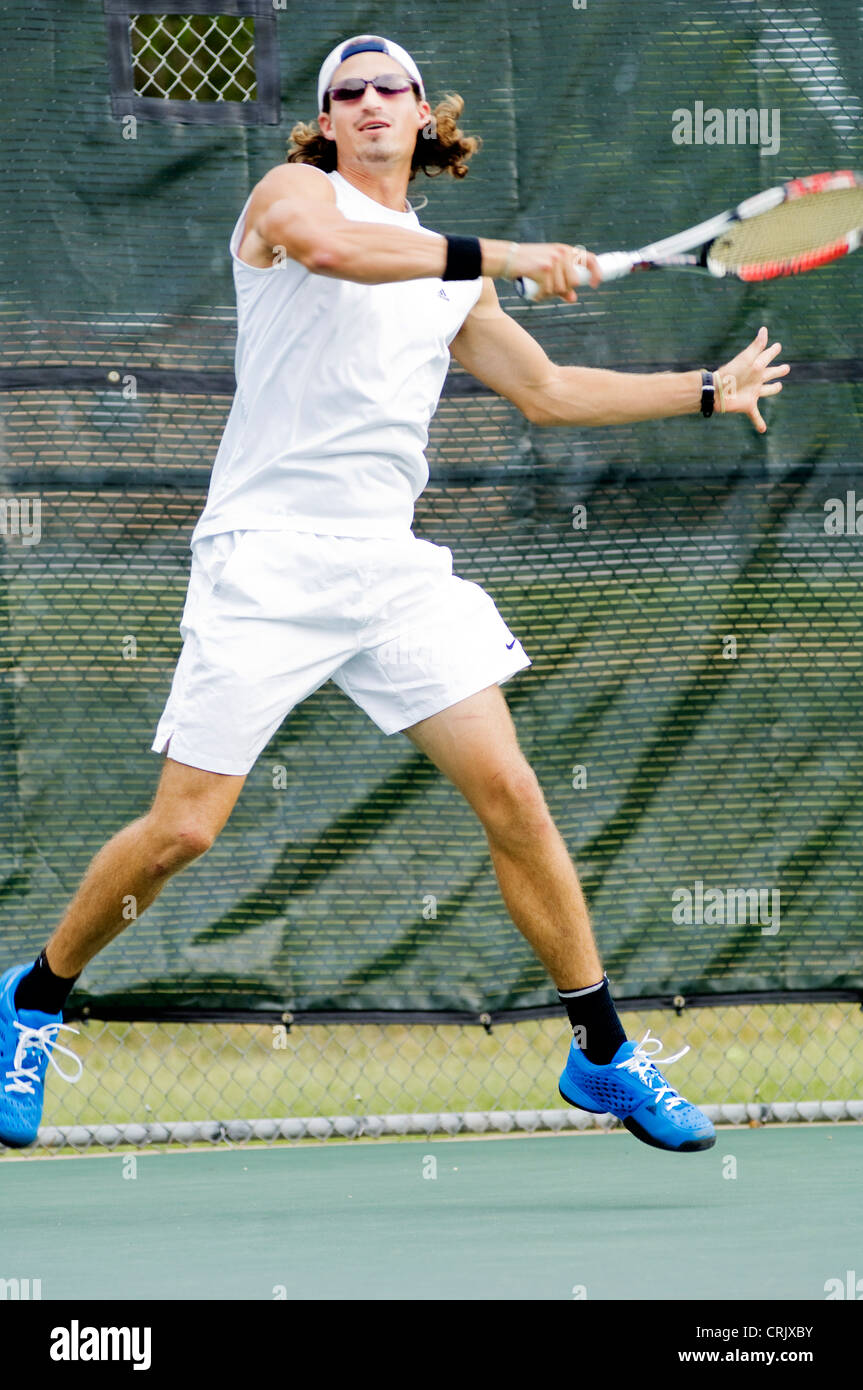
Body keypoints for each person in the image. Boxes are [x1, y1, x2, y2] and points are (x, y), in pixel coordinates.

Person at [0, 34, 789, 1153]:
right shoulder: (290, 199)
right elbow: (338, 252)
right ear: (325, 123)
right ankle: (33, 997)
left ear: (425, 116)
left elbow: (548, 388)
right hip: (265, 555)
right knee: (183, 831)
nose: (368, 102)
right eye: (345, 92)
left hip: (389, 566)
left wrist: (703, 389)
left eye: (390, 88)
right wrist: (509, 254)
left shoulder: (443, 269)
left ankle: (602, 1052)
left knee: (512, 796)